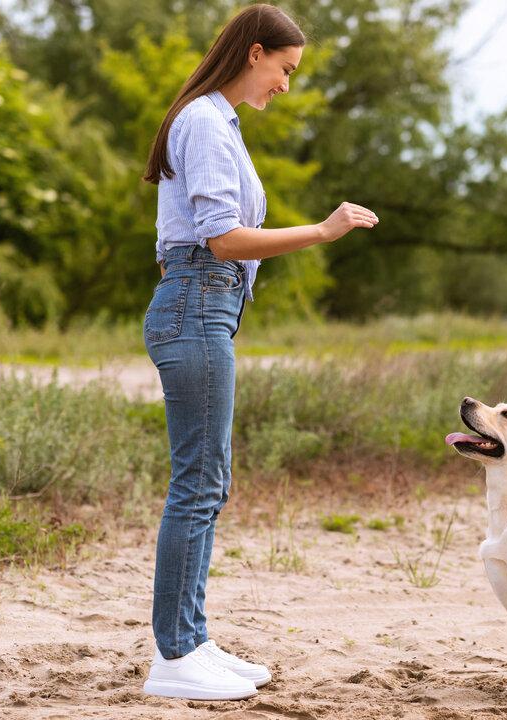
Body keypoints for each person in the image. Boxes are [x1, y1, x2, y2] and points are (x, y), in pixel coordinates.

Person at [139, 4, 378, 701]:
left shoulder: (217, 122)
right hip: (195, 304)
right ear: (253, 53)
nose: (285, 83)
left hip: (203, 306)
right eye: (285, 68)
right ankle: (175, 659)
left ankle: (192, 641)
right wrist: (323, 232)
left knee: (206, 484)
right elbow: (222, 239)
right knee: (199, 485)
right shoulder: (206, 122)